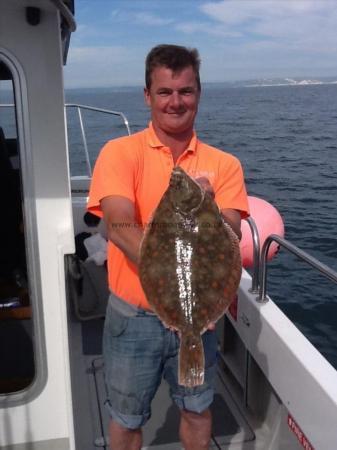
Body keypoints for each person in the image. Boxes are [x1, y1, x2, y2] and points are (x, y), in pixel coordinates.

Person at [87, 44, 249, 450]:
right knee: (126, 418)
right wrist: (180, 289)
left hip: (199, 324)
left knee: (197, 409)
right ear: (147, 95)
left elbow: (229, 236)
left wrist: (206, 206)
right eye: (164, 92)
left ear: (199, 92)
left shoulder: (225, 164)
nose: (175, 102)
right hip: (134, 320)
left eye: (186, 91)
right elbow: (120, 225)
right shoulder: (120, 153)